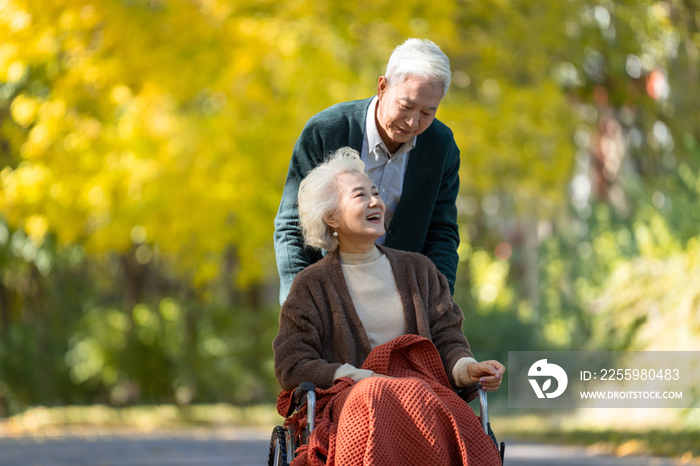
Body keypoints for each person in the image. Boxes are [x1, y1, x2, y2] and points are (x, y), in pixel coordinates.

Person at [273, 148, 504, 465]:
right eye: (360, 196)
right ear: (331, 217)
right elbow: (291, 363)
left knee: (432, 402)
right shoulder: (311, 286)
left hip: (424, 394)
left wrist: (468, 369)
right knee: (373, 394)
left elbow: (448, 339)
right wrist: (352, 375)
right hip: (354, 400)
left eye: (376, 193)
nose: (375, 202)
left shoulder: (420, 271)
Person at [274, 38, 461, 304]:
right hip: (327, 298)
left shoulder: (442, 148)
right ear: (383, 87)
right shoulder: (326, 131)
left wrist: (438, 306)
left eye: (427, 113)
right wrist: (300, 305)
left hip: (402, 302)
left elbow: (441, 233)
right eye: (406, 106)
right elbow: (292, 225)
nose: (413, 122)